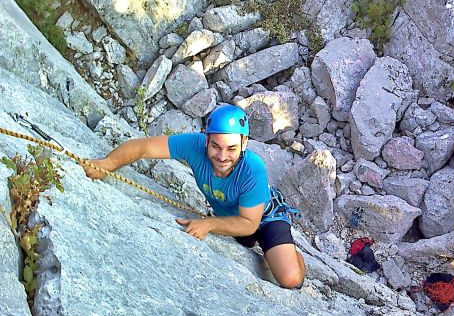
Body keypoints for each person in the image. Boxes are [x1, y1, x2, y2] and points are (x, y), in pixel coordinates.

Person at [85, 105, 306, 289]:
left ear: (244, 143)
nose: (222, 156)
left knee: (290, 279)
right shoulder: (195, 145)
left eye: (231, 148)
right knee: (246, 243)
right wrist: (108, 164)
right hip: (231, 215)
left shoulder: (252, 169)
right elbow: (144, 146)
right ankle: (274, 251)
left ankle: (292, 254)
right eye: (216, 146)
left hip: (265, 219)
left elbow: (249, 224)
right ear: (206, 139)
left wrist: (209, 224)